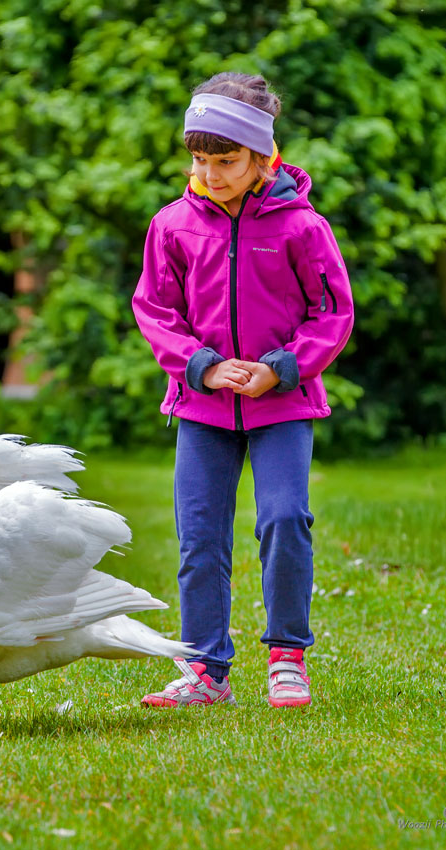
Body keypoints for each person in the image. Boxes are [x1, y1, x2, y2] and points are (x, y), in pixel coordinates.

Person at [132, 72, 353, 708]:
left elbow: (333, 314)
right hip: (202, 405)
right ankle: (205, 670)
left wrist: (281, 367)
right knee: (199, 533)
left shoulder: (303, 228)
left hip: (282, 403)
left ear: (262, 156)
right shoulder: (172, 225)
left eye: (225, 160)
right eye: (199, 159)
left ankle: (287, 656)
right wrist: (199, 364)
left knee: (285, 519)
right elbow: (154, 309)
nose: (210, 173)